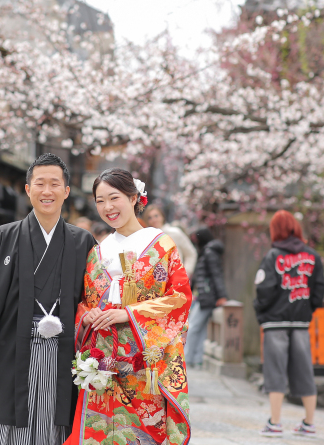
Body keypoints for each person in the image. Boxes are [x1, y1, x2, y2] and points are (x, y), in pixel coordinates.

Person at [0, 153, 96, 444]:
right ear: (27, 189)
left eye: (54, 184)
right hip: (10, 350)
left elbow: (95, 301)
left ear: (66, 191)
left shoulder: (83, 242)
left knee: (56, 421)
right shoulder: (4, 236)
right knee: (5, 422)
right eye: (39, 183)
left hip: (64, 353)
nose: (47, 191)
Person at [66, 168, 192, 445]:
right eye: (100, 201)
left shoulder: (161, 245)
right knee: (97, 429)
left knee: (140, 432)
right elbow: (84, 302)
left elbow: (179, 298)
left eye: (114, 198)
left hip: (143, 363)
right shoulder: (97, 251)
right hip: (102, 361)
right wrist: (88, 315)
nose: (108, 207)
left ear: (134, 197)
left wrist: (129, 313)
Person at [253, 210, 324, 438]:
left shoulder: (273, 256)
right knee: (304, 371)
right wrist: (308, 310)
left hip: (275, 323)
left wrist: (261, 311)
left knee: (275, 371)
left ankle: (275, 423)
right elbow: (319, 290)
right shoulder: (313, 256)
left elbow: (264, 290)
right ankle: (309, 423)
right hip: (301, 323)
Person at [185, 227, 228, 368]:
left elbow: (216, 275)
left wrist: (222, 296)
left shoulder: (209, 253)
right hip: (203, 296)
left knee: (193, 327)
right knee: (200, 329)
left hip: (207, 297)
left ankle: (188, 359)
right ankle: (196, 359)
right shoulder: (207, 252)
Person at [143, 205, 198, 278]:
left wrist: (186, 272)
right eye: (150, 217)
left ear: (162, 216)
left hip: (176, 278)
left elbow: (191, 253)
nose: (154, 219)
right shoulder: (147, 238)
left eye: (156, 216)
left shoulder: (175, 233)